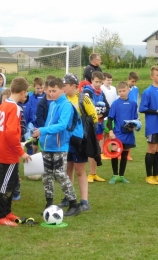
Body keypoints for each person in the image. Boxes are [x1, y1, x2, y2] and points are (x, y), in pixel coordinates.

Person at [33, 78, 82, 217]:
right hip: (47, 145)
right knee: (47, 175)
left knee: (60, 174)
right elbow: (49, 123)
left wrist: (43, 131)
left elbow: (62, 125)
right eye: (49, 90)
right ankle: (49, 204)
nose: (51, 93)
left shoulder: (66, 105)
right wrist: (40, 135)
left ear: (63, 90)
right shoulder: (53, 104)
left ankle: (74, 204)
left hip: (60, 147)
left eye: (54, 91)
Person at [0, 76, 31, 226]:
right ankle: (0, 216)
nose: (26, 95)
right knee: (6, 184)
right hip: (9, 153)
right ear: (22, 92)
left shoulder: (3, 104)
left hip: (5, 149)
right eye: (26, 92)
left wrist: (2, 139)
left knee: (12, 182)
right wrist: (21, 151)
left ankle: (7, 212)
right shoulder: (14, 107)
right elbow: (10, 133)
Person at [58, 73, 98, 210]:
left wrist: (85, 135)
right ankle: (69, 197)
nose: (63, 88)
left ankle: (84, 201)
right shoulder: (62, 99)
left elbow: (94, 117)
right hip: (65, 141)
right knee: (67, 169)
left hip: (79, 141)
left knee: (80, 171)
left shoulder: (83, 99)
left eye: (65, 85)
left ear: (74, 86)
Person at [107, 81, 138, 184]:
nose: (121, 93)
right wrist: (111, 131)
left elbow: (135, 120)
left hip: (128, 133)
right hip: (117, 133)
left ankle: (121, 175)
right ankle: (114, 175)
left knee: (125, 153)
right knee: (115, 152)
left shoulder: (133, 104)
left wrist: (132, 127)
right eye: (119, 91)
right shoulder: (115, 103)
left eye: (123, 91)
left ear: (128, 90)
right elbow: (110, 119)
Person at [139, 65, 158, 185]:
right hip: (153, 126)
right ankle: (149, 176)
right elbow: (142, 108)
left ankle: (156, 174)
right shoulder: (147, 92)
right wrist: (156, 111)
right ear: (152, 77)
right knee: (152, 149)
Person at [83, 71, 109, 182]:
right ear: (92, 81)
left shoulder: (101, 92)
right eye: (96, 81)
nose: (98, 84)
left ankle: (94, 174)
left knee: (97, 149)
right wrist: (95, 115)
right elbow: (86, 107)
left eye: (100, 82)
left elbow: (108, 108)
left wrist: (101, 114)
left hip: (99, 124)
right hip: (89, 125)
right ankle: (89, 174)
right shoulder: (87, 91)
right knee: (91, 149)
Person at [100, 72, 118, 158]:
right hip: (104, 112)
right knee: (103, 132)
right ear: (103, 80)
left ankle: (106, 149)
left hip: (112, 112)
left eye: (111, 80)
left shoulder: (114, 88)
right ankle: (101, 150)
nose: (109, 81)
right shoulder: (101, 88)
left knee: (109, 132)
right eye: (108, 80)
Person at [26, 77, 45, 154]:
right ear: (34, 87)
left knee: (43, 142)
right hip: (34, 123)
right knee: (34, 143)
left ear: (44, 86)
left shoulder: (47, 96)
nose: (40, 90)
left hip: (43, 123)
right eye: (38, 88)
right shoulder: (30, 97)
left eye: (41, 88)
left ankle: (43, 157)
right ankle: (32, 156)